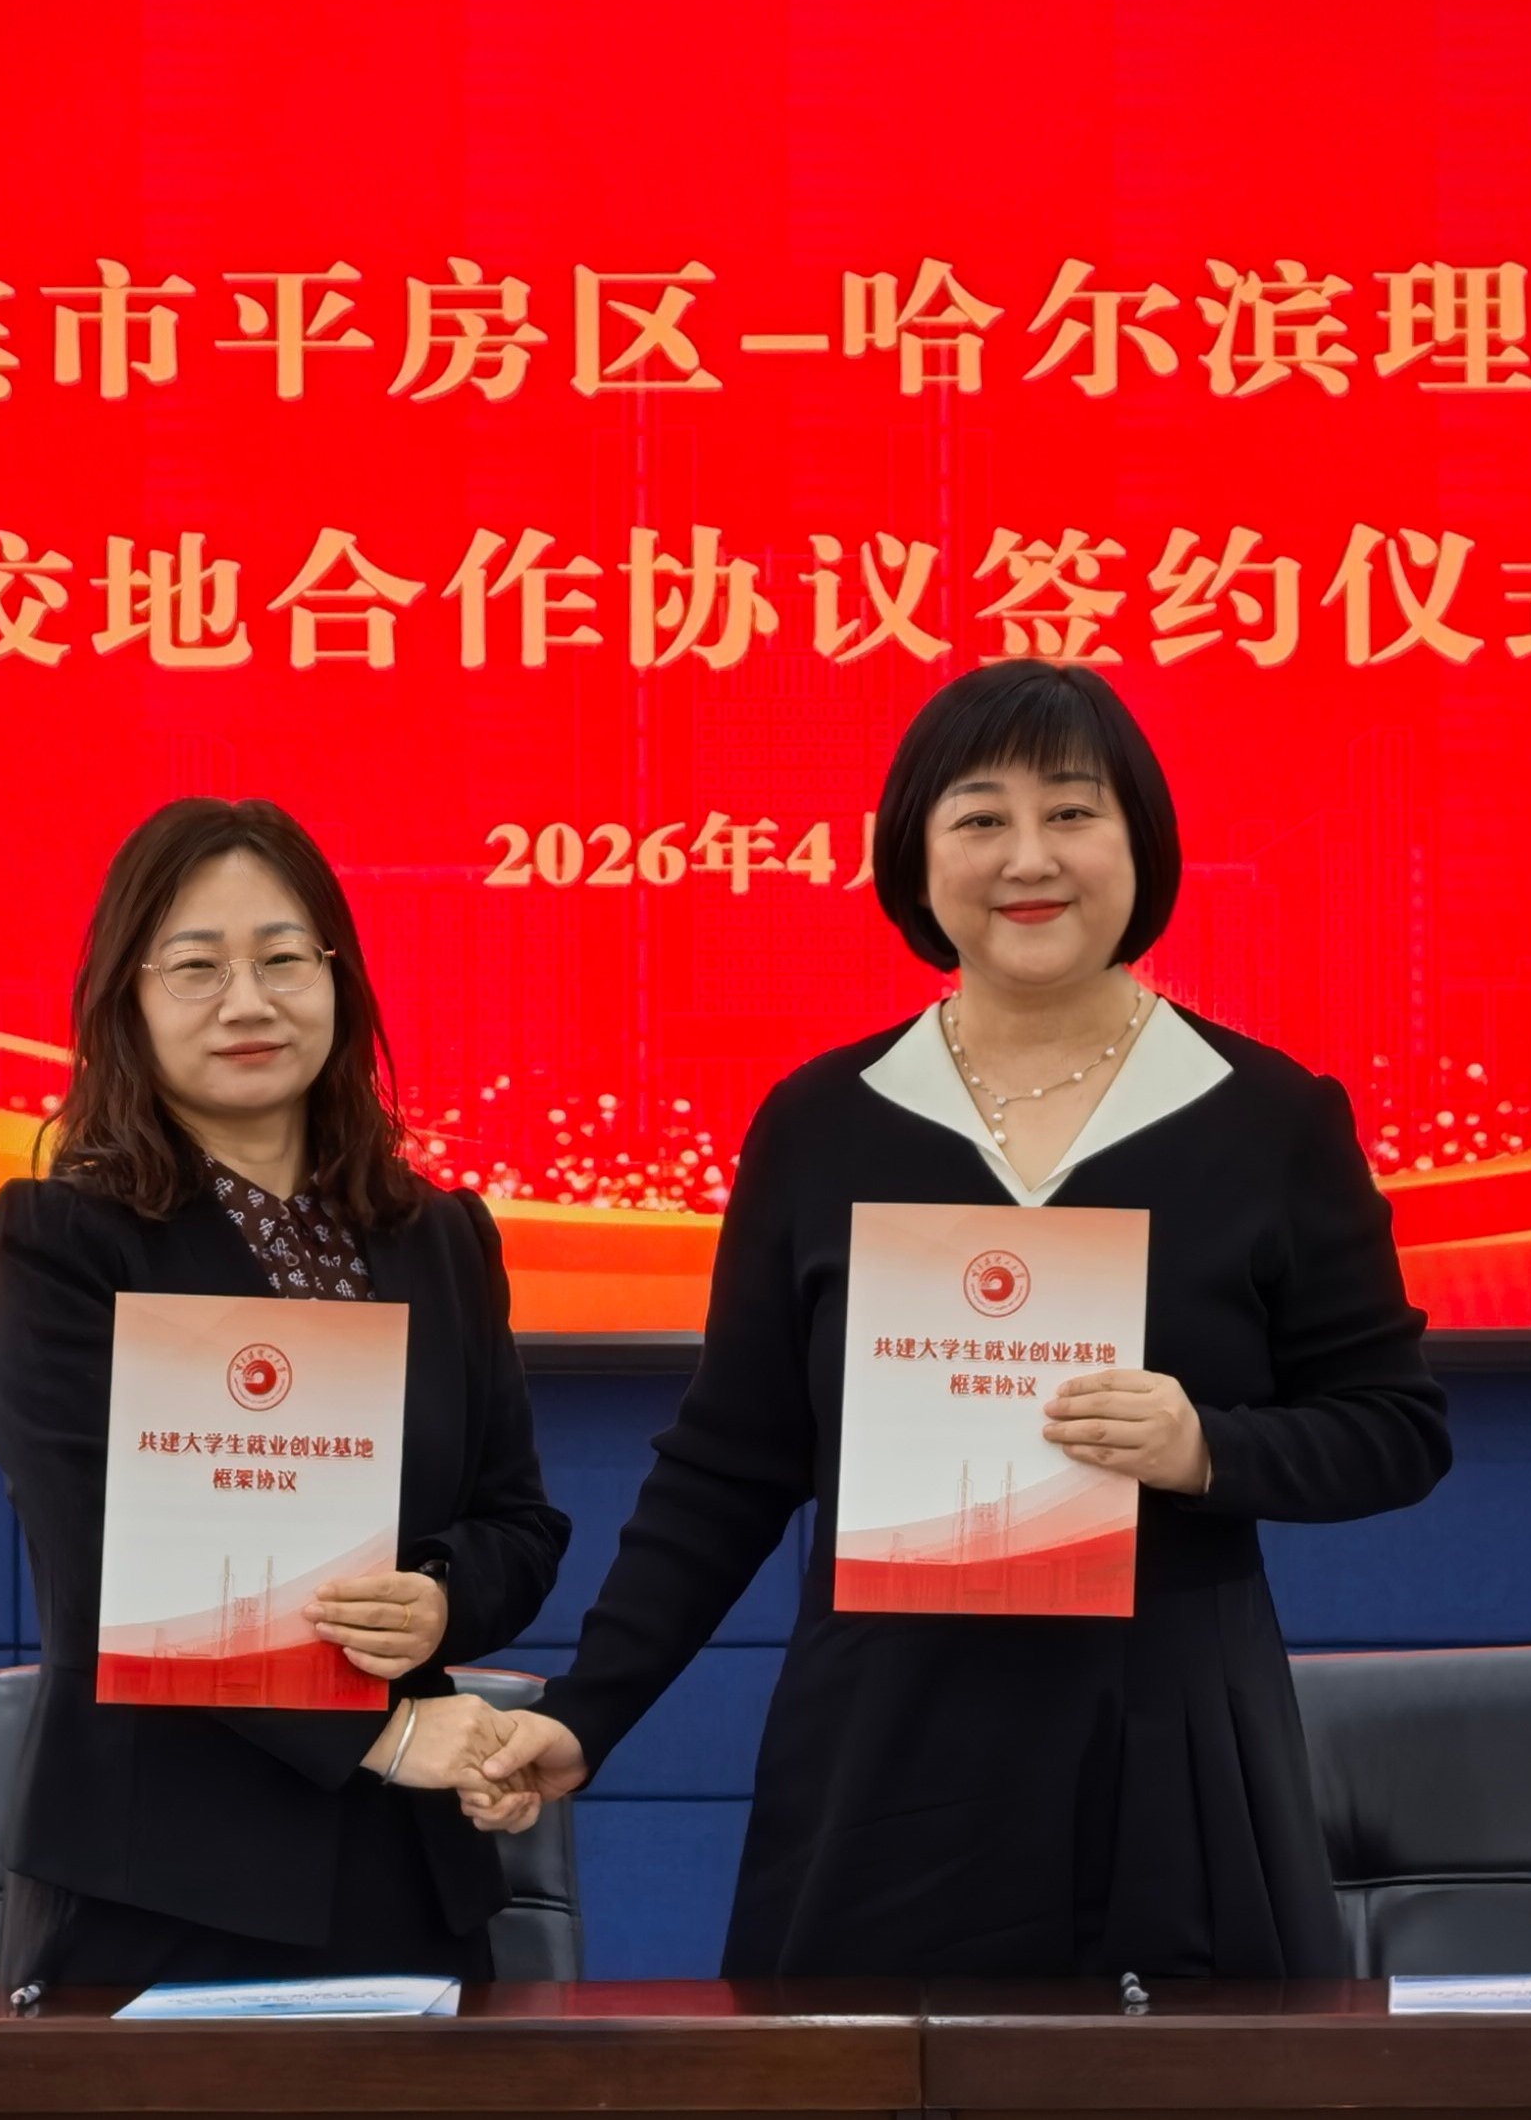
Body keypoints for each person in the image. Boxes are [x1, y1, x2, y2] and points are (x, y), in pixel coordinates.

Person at [467, 664, 1450, 1978]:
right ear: (916, 860)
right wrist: (589, 1709)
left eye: (1071, 812)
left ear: (1141, 842)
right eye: (980, 818)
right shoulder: (823, 1122)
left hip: (1171, 1759)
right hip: (885, 1758)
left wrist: (1207, 1448)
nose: (1027, 857)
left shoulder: (1267, 1116)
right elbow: (729, 1463)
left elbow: (1392, 1429)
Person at [0, 797, 568, 1994]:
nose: (248, 1001)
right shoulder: (65, 1242)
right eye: (196, 966)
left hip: (407, 1867)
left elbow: (518, 1521)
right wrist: (385, 1731)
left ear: (337, 979)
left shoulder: (440, 1237)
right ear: (128, 1001)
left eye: (284, 958)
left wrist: (439, 1599)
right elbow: (107, 1559)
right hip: (160, 1874)